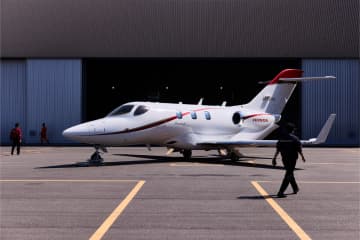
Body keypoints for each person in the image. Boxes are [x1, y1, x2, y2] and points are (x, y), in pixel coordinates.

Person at [272, 123, 306, 198]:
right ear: (292, 130)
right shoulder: (295, 138)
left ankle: (295, 188)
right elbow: (299, 149)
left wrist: (274, 158)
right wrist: (303, 157)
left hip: (284, 159)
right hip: (292, 159)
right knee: (289, 174)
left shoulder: (281, 138)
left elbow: (278, 149)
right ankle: (281, 192)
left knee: (289, 173)